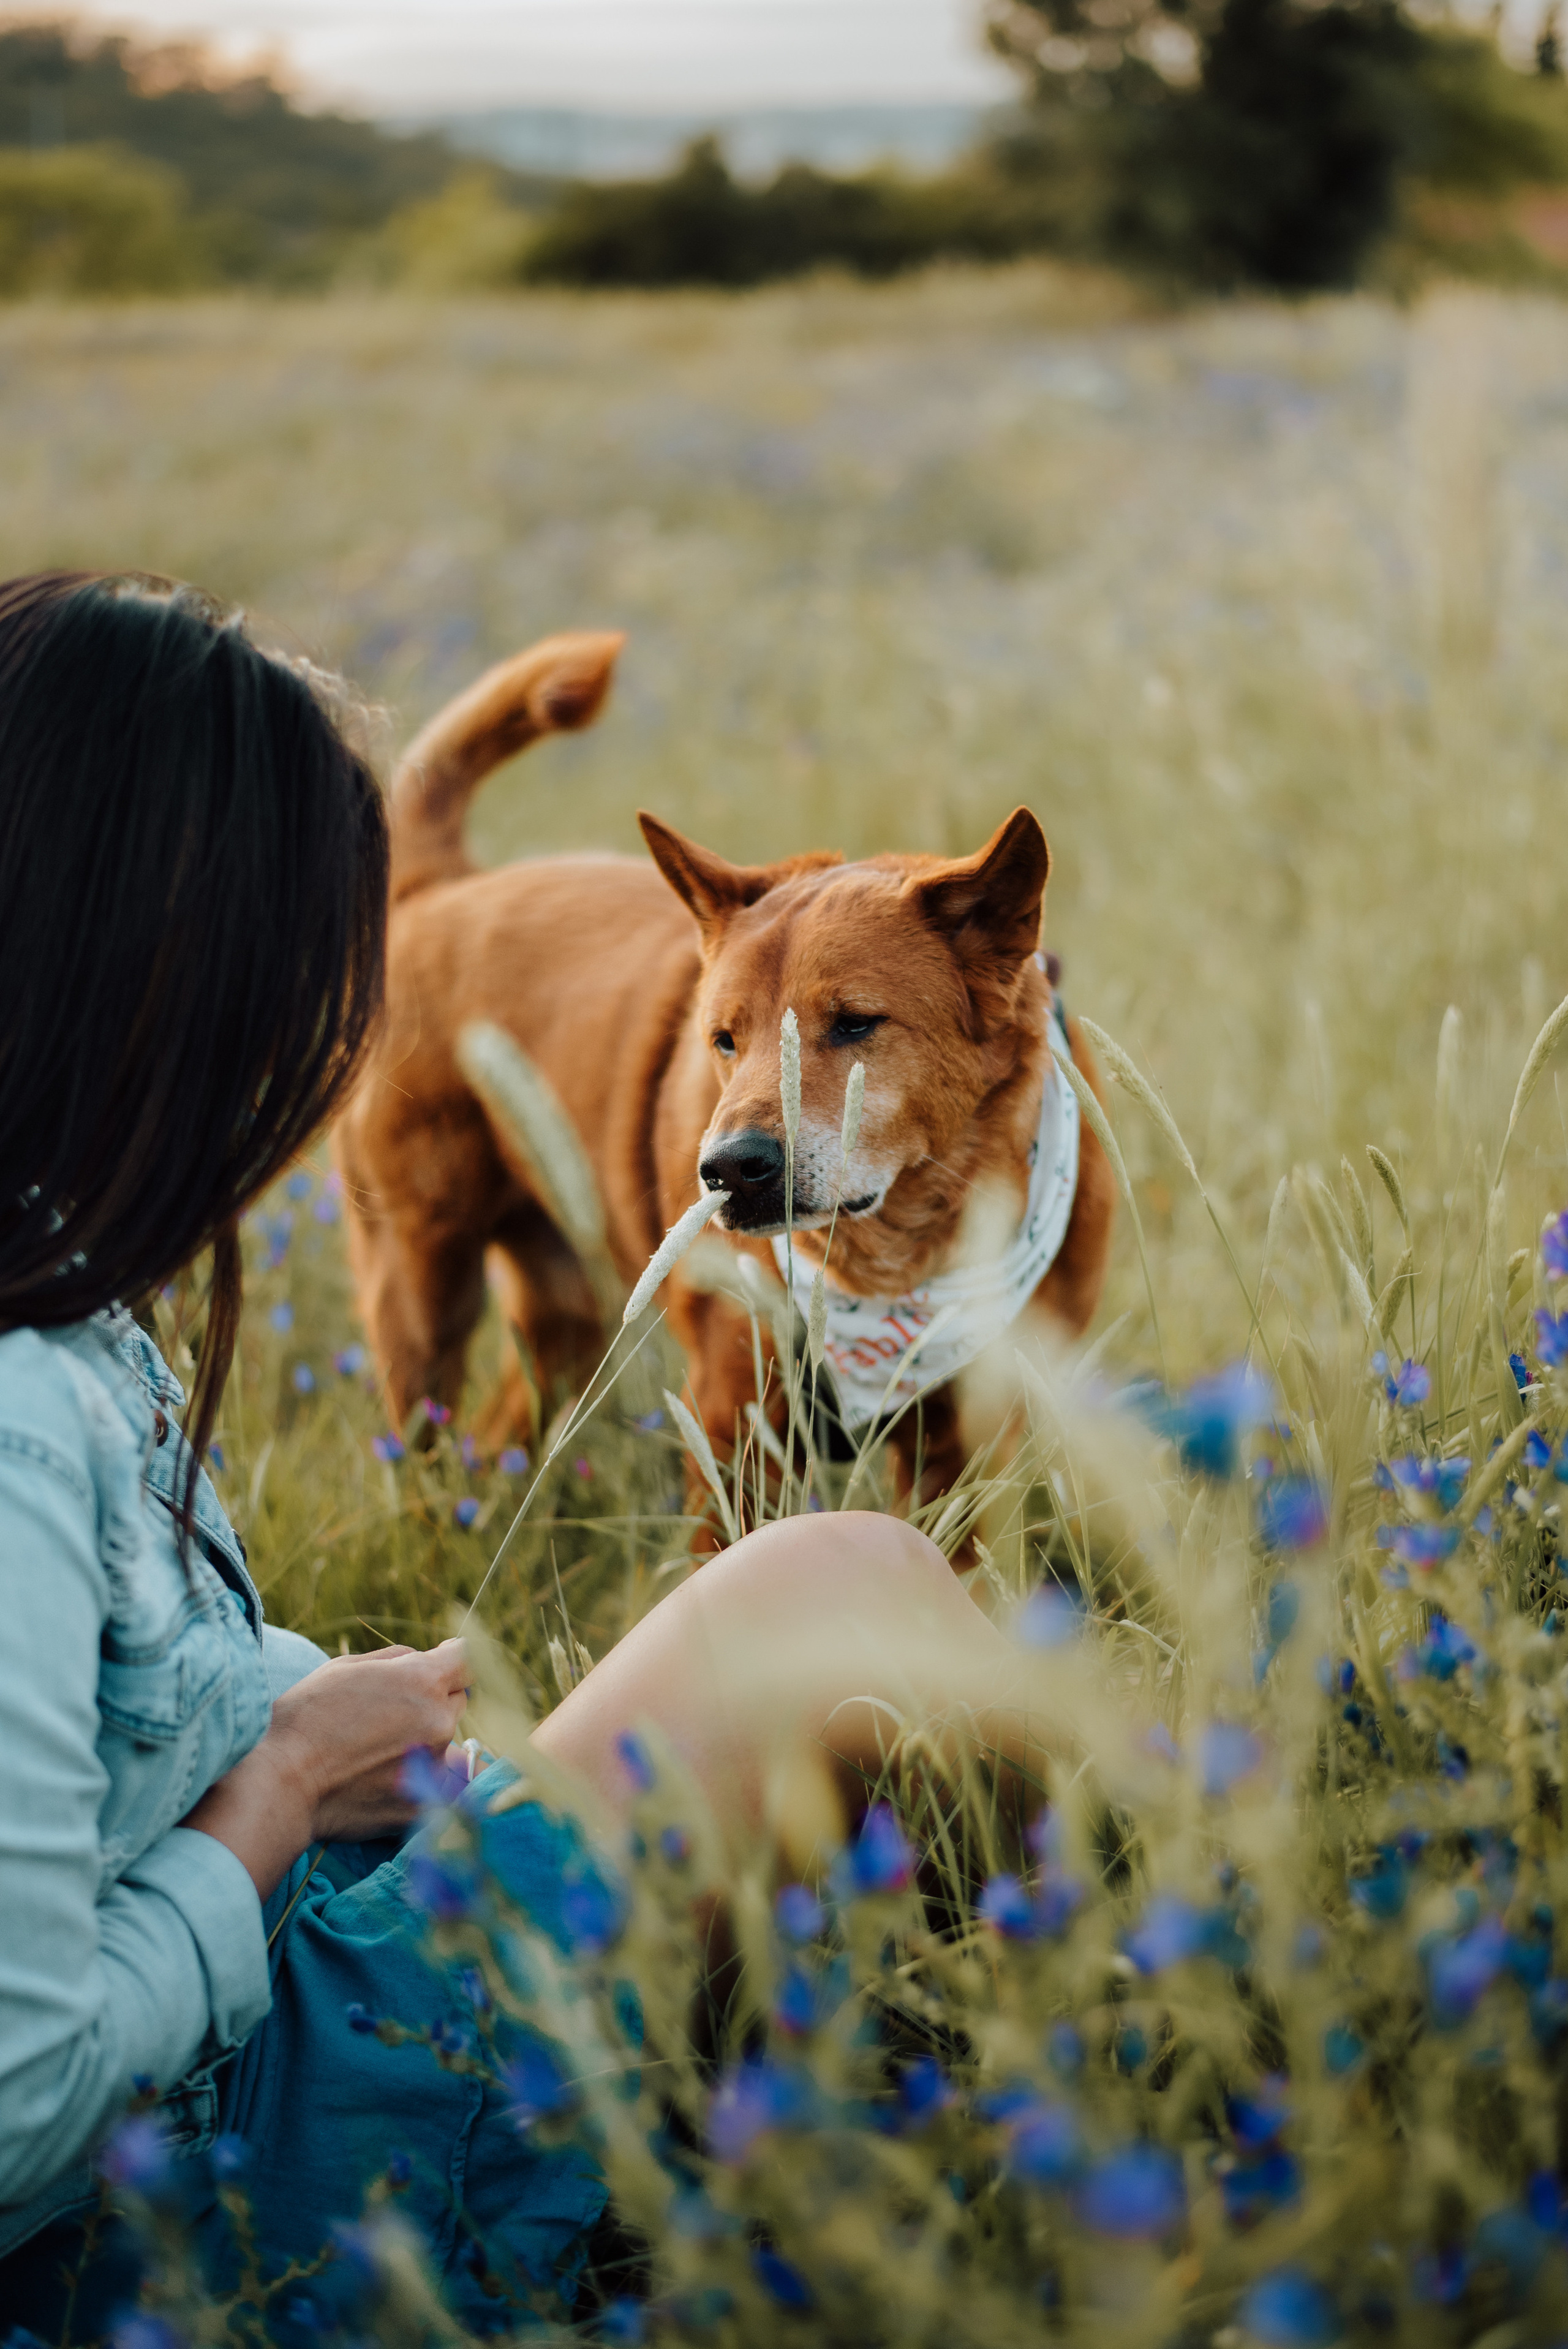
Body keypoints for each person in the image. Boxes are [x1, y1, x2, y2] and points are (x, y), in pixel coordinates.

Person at [0, 572, 1046, 2339]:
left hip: (253, 1966)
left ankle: (939, 2021)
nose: (326, 1041)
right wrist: (276, 1790)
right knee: (845, 1584)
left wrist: (291, 1712)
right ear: (149, 976)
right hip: (208, 2175)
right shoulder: (23, 1423)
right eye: (306, 970)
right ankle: (1066, 2040)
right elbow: (24, 2108)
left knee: (830, 1608)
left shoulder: (48, 1288)